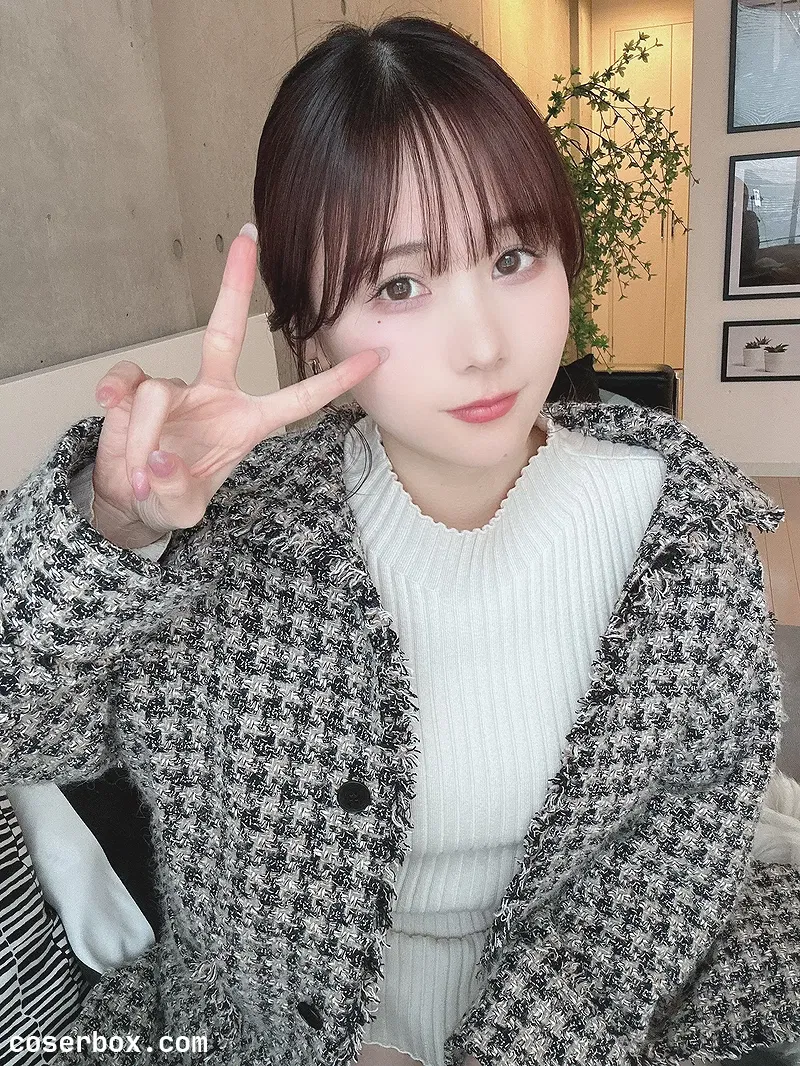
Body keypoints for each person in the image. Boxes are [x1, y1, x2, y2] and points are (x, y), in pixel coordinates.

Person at [1, 15, 799, 1066]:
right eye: (399, 285)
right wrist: (115, 527)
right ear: (309, 329)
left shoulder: (681, 537)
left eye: (512, 256)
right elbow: (22, 728)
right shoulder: (232, 536)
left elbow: (666, 865)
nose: (483, 346)